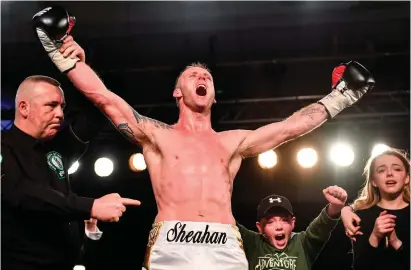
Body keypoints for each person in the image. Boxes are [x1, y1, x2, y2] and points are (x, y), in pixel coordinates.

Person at [33, 6, 375, 270]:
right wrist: (59, 48)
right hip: (172, 241)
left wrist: (341, 96)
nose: (201, 76)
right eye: (192, 74)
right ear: (177, 93)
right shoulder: (156, 135)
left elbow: (290, 127)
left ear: (213, 96)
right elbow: (104, 98)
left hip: (223, 241)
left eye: (207, 77)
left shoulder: (234, 142)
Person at [1, 75, 141, 269]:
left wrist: (75, 67)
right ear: (24, 107)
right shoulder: (3, 146)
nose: (60, 114)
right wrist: (90, 206)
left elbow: (98, 111)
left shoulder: (58, 147)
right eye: (51, 105)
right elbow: (22, 194)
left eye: (62, 107)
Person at [236, 185, 347, 270]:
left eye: (284, 220)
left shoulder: (302, 243)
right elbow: (226, 222)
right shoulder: (252, 243)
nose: (279, 226)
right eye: (270, 222)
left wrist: (335, 207)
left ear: (292, 223)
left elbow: (321, 226)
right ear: (260, 227)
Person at [340, 147, 410, 270]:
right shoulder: (359, 216)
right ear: (373, 181)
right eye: (381, 170)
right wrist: (375, 236)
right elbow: (359, 266)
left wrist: (395, 241)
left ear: (407, 178)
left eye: (397, 169)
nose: (389, 173)